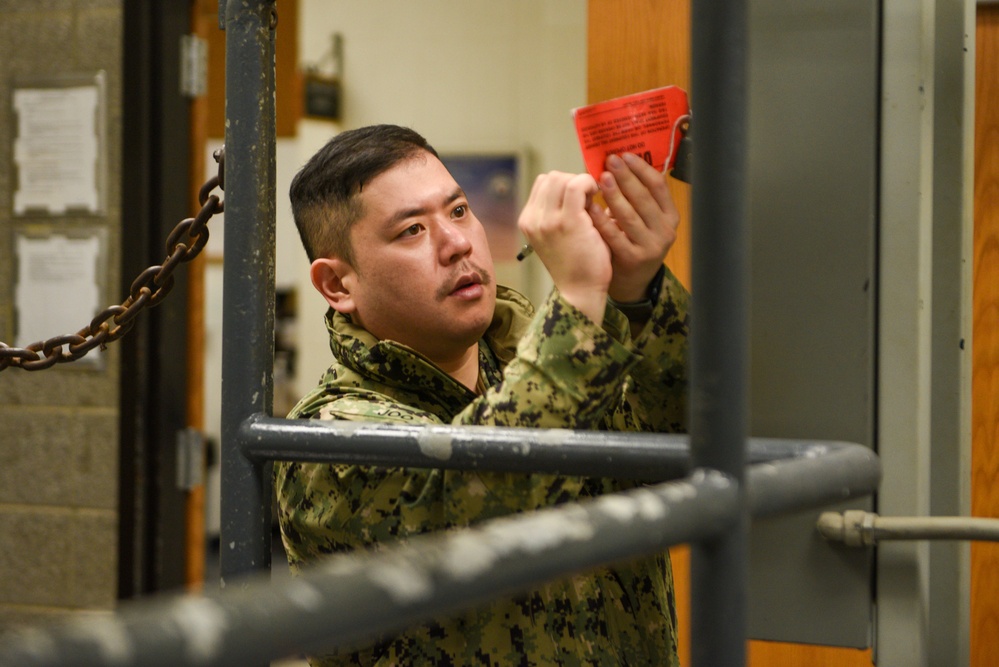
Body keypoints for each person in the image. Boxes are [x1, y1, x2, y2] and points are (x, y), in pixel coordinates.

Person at [274, 124, 690, 666]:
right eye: (411, 232)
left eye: (458, 211)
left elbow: (686, 437)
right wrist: (581, 295)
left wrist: (639, 292)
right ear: (338, 285)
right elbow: (479, 499)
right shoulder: (326, 441)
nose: (458, 243)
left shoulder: (559, 361)